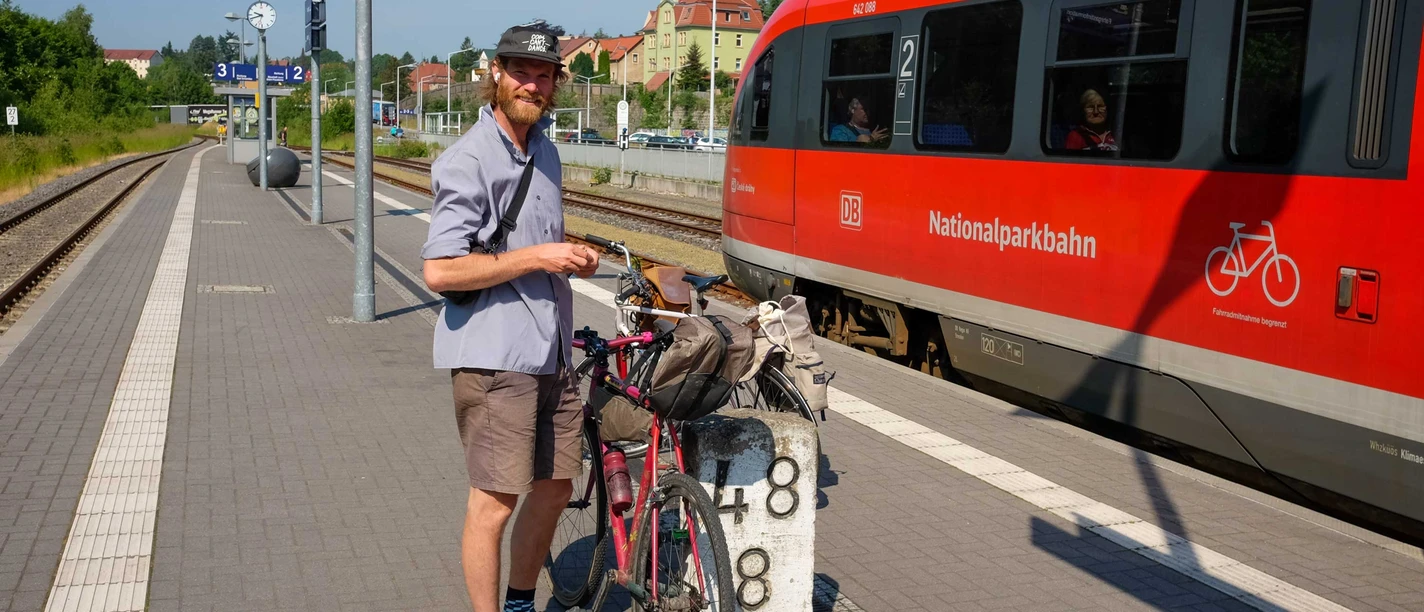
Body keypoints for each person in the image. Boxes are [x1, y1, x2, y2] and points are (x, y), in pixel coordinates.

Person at [421, 25, 599, 612]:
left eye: (544, 75)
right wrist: (538, 257)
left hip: (552, 351)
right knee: (494, 502)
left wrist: (572, 255)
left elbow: (533, 242)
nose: (533, 84)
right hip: (495, 357)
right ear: (496, 73)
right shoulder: (468, 159)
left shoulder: (545, 151)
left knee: (555, 488)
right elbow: (440, 271)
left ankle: (521, 601)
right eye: (521, 71)